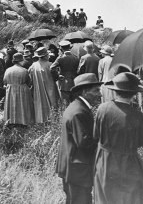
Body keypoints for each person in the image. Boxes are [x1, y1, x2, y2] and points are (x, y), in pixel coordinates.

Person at [94, 72, 143, 203]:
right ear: (134, 94)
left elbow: (96, 134)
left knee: (106, 195)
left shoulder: (102, 108)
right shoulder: (137, 115)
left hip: (104, 159)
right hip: (127, 162)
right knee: (131, 196)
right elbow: (142, 141)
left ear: (115, 92)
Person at [56, 73, 102, 204]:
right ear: (85, 92)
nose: (100, 94)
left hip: (73, 168)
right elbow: (84, 142)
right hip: (77, 169)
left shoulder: (77, 107)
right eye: (96, 90)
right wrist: (104, 139)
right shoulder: (79, 112)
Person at [28, 47, 58, 123]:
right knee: (52, 102)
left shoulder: (33, 66)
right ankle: (53, 119)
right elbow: (55, 76)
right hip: (50, 87)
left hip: (38, 88)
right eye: (48, 54)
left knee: (40, 102)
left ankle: (41, 120)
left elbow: (30, 79)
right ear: (45, 56)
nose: (49, 56)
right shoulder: (50, 65)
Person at [3, 53, 34, 126]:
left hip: (10, 90)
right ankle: (23, 121)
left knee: (12, 104)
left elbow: (5, 81)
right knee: (22, 105)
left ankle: (11, 121)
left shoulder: (8, 70)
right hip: (22, 89)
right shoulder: (24, 70)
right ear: (20, 61)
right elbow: (29, 82)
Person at [51, 41, 79, 106]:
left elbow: (52, 68)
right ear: (69, 48)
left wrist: (57, 76)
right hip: (74, 82)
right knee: (74, 102)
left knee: (65, 103)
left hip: (64, 83)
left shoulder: (61, 58)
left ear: (61, 49)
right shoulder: (76, 57)